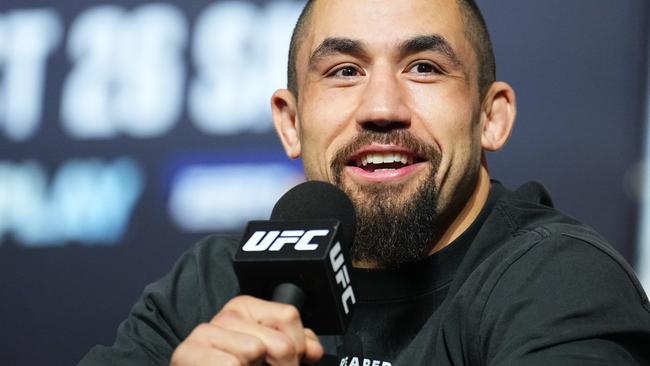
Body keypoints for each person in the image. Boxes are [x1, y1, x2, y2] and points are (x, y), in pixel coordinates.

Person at [79, 0, 650, 365]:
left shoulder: (559, 279)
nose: (381, 108)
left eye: (424, 67)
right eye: (344, 71)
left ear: (490, 117)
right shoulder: (210, 285)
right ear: (292, 122)